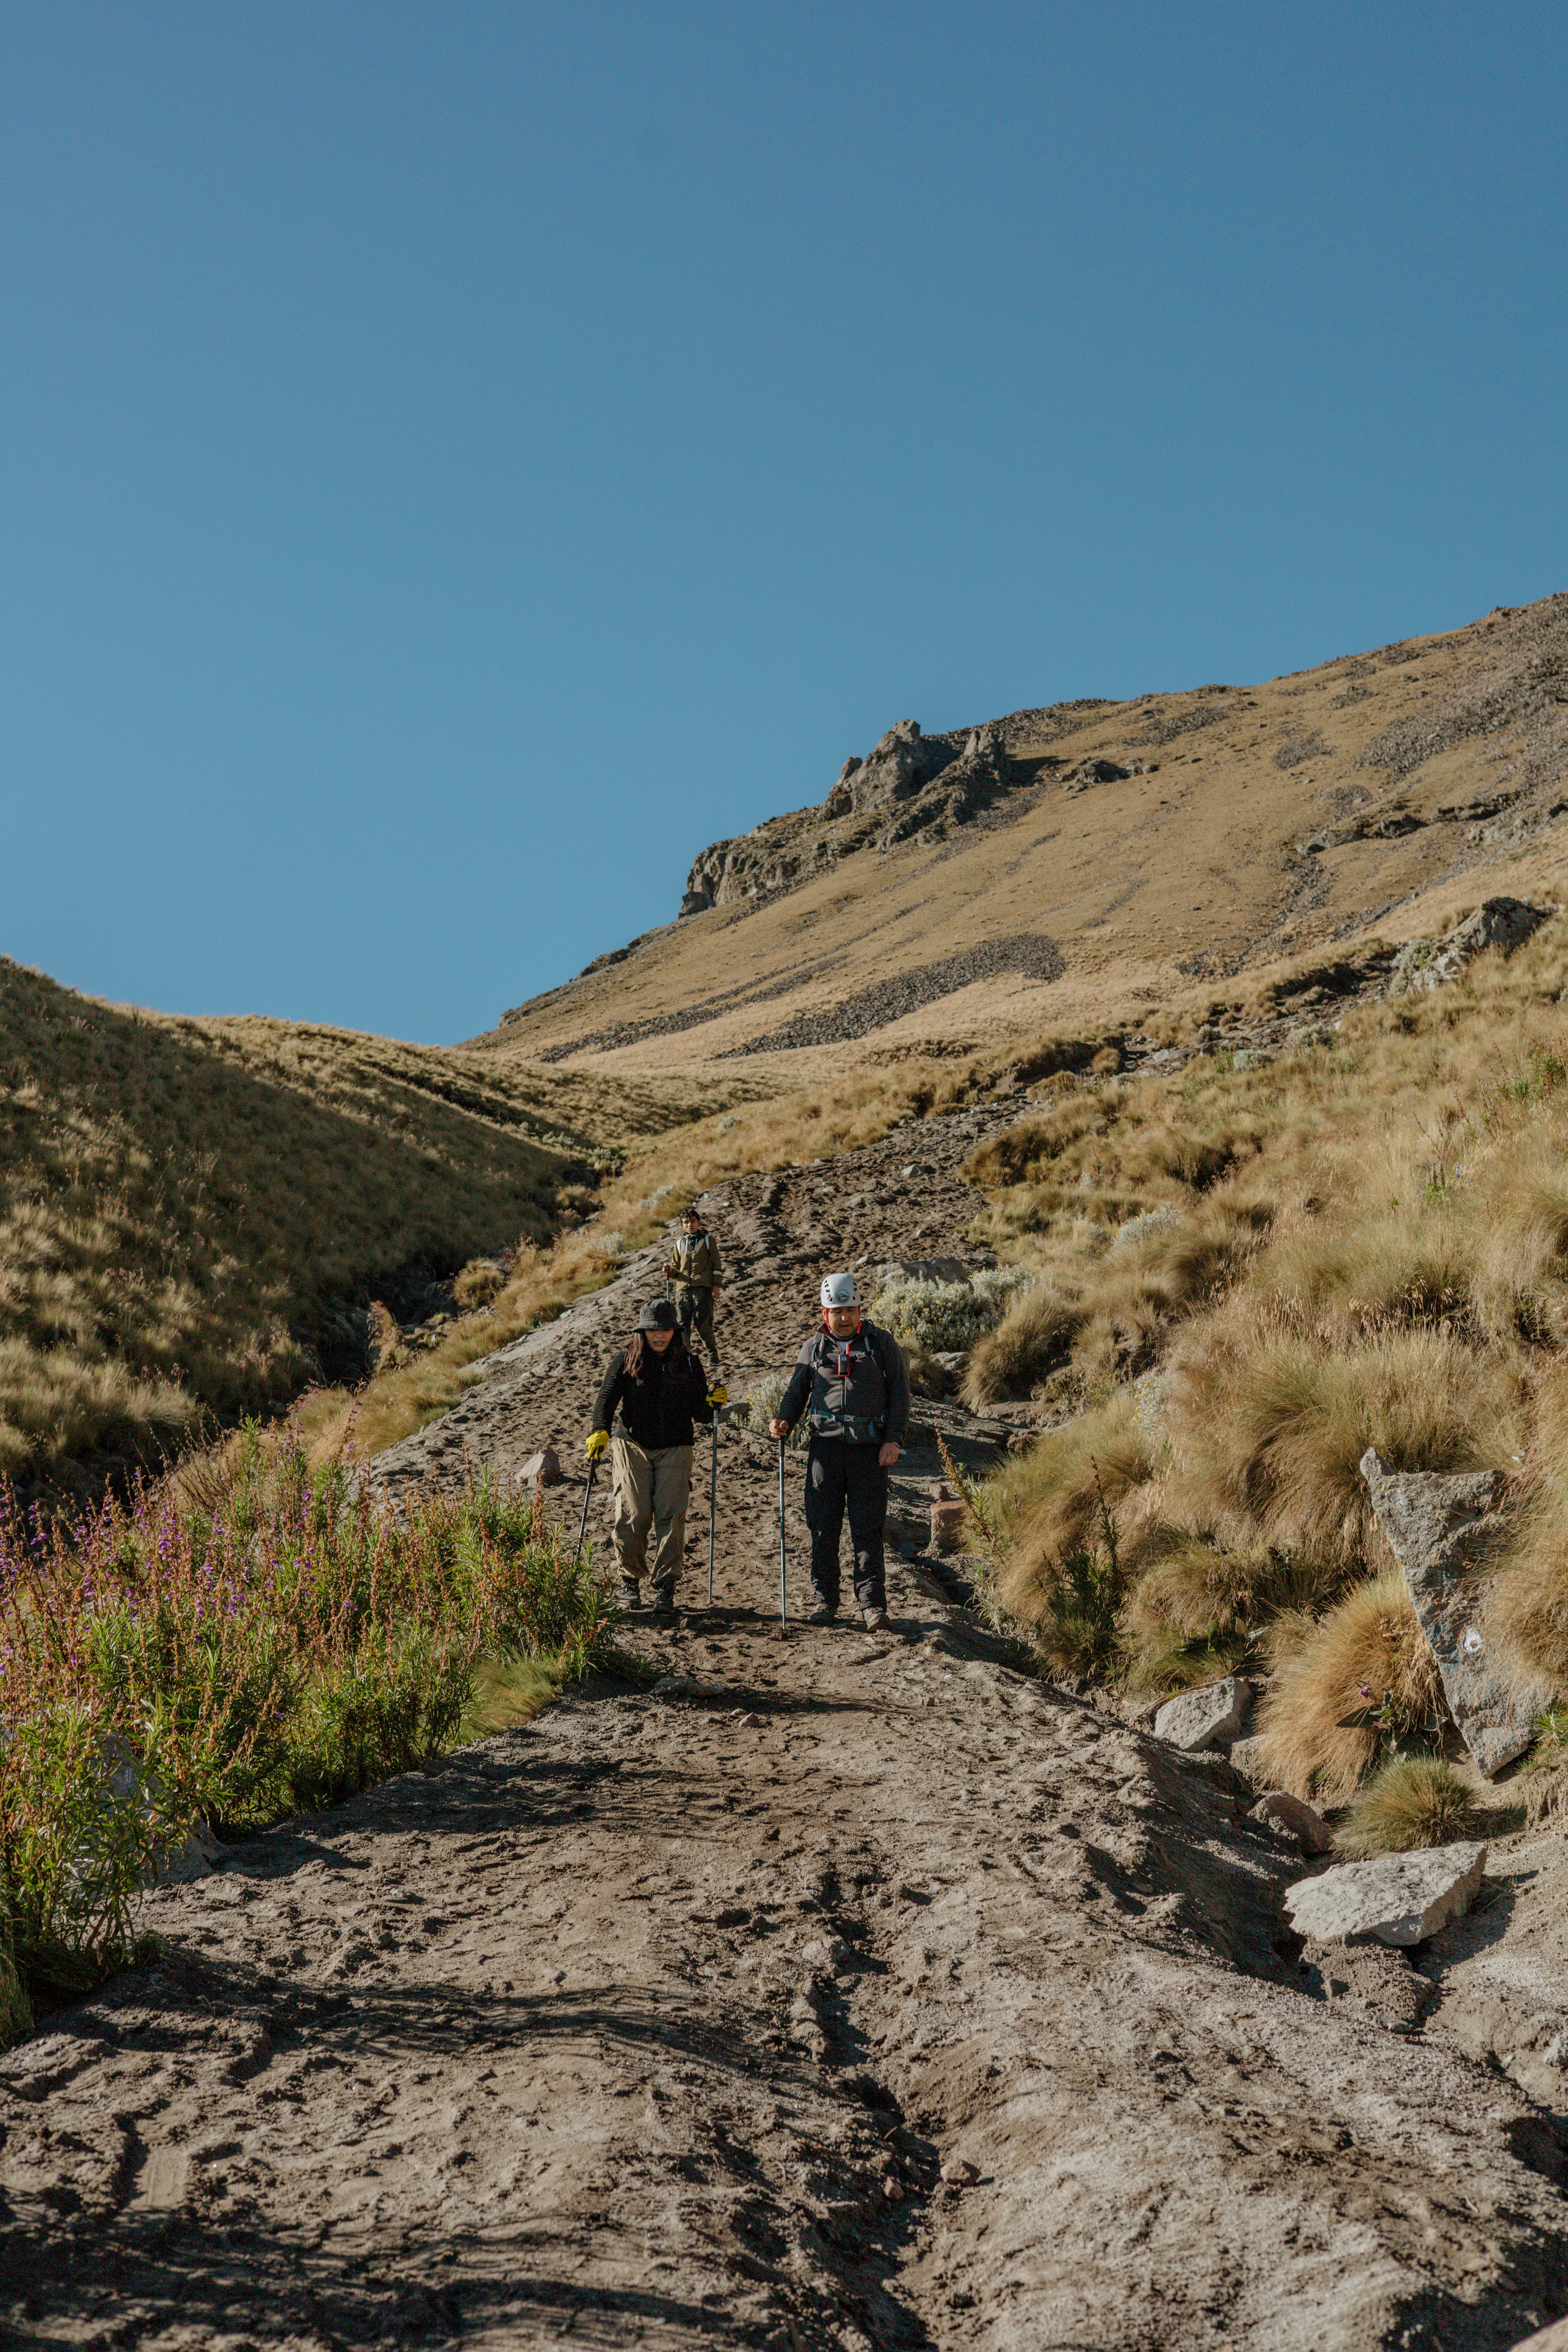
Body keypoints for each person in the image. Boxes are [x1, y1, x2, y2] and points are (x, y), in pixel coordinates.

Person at [769, 1272, 909, 1632]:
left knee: (868, 1530)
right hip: (825, 1452)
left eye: (850, 1310)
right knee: (823, 1528)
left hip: (870, 1452)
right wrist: (784, 1420)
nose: (844, 1318)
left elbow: (900, 1394)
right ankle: (825, 1601)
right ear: (824, 1312)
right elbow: (796, 1393)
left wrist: (893, 1439)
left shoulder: (881, 1344)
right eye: (836, 1311)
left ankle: (872, 1605)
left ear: (860, 1309)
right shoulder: (813, 1348)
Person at [586, 1298, 724, 1616]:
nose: (659, 1336)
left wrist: (713, 1403)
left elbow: (701, 1415)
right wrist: (600, 1430)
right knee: (634, 1514)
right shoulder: (626, 1359)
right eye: (652, 1330)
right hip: (632, 1445)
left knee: (671, 1516)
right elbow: (606, 1398)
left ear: (675, 1332)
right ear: (642, 1332)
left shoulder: (690, 1364)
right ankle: (629, 1582)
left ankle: (665, 1587)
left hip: (677, 1446)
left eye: (665, 1330)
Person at [664, 1203, 724, 1374]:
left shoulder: (709, 1241)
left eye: (693, 1221)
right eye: (686, 1222)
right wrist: (669, 1271)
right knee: (682, 1327)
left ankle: (713, 1355)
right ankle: (685, 1358)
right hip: (682, 1292)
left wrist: (716, 1286)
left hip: (702, 1290)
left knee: (704, 1325)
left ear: (699, 1222)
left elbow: (717, 1266)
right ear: (682, 1225)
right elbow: (676, 1270)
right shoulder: (679, 1244)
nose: (690, 1225)